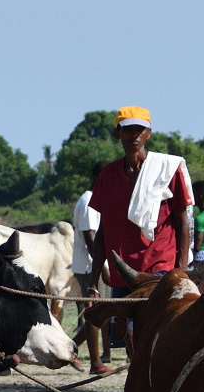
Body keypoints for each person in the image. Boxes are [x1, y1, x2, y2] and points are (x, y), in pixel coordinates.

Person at [87, 107, 192, 356]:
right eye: (128, 129)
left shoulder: (167, 169)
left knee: (157, 334)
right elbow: (103, 230)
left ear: (148, 134)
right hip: (122, 271)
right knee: (129, 342)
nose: (134, 135)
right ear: (117, 133)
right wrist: (92, 281)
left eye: (139, 129)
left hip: (160, 268)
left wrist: (182, 267)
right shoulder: (108, 175)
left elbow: (183, 220)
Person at [70, 161, 112, 375]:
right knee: (95, 312)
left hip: (92, 263)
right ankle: (96, 364)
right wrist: (103, 267)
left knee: (100, 312)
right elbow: (90, 238)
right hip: (89, 266)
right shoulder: (88, 201)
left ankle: (71, 349)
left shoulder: (95, 199)